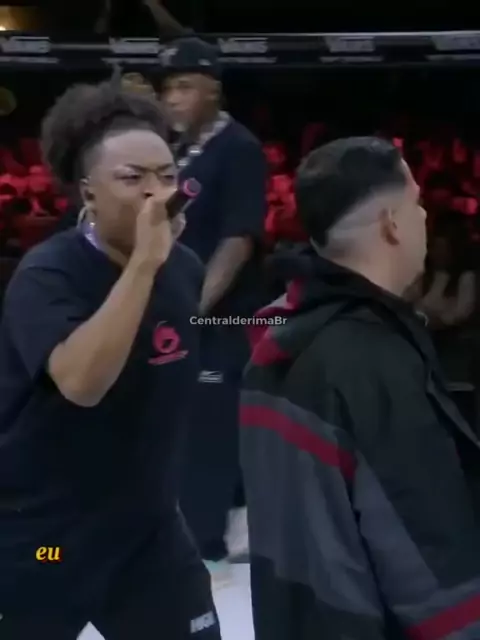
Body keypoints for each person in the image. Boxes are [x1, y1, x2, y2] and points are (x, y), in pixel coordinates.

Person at [0, 79, 221, 639]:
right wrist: (143, 265)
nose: (156, 193)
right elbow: (82, 384)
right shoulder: (47, 276)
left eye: (166, 176)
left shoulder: (185, 269)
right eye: (132, 177)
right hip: (45, 540)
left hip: (148, 536)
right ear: (88, 193)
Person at [240, 137, 480, 639]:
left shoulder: (277, 342)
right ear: (392, 223)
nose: (424, 218)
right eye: (416, 204)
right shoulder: (372, 363)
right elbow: (429, 565)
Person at [157, 36, 267, 576]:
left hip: (219, 316)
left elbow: (238, 239)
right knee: (180, 425)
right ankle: (198, 535)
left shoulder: (238, 147)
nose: (172, 98)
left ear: (213, 90)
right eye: (168, 89)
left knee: (209, 424)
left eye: (184, 87)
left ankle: (207, 547)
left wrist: (195, 310)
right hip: (174, 313)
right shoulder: (179, 151)